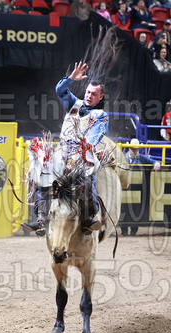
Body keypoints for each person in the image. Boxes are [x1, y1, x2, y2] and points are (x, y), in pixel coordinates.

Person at [22, 62, 109, 236]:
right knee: (43, 173)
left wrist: (82, 150)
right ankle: (41, 219)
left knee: (86, 178)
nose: (89, 95)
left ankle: (88, 218)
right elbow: (60, 90)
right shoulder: (73, 104)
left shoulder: (101, 116)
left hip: (82, 155)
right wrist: (70, 79)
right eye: (88, 92)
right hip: (62, 152)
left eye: (94, 93)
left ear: (100, 97)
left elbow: (93, 138)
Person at [120, 138, 160, 237]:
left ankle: (134, 229)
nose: (134, 151)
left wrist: (156, 163)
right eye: (133, 149)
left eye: (136, 149)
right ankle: (123, 229)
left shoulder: (141, 158)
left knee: (136, 209)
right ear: (129, 149)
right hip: (125, 188)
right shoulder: (123, 158)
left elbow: (153, 161)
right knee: (124, 208)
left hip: (137, 189)